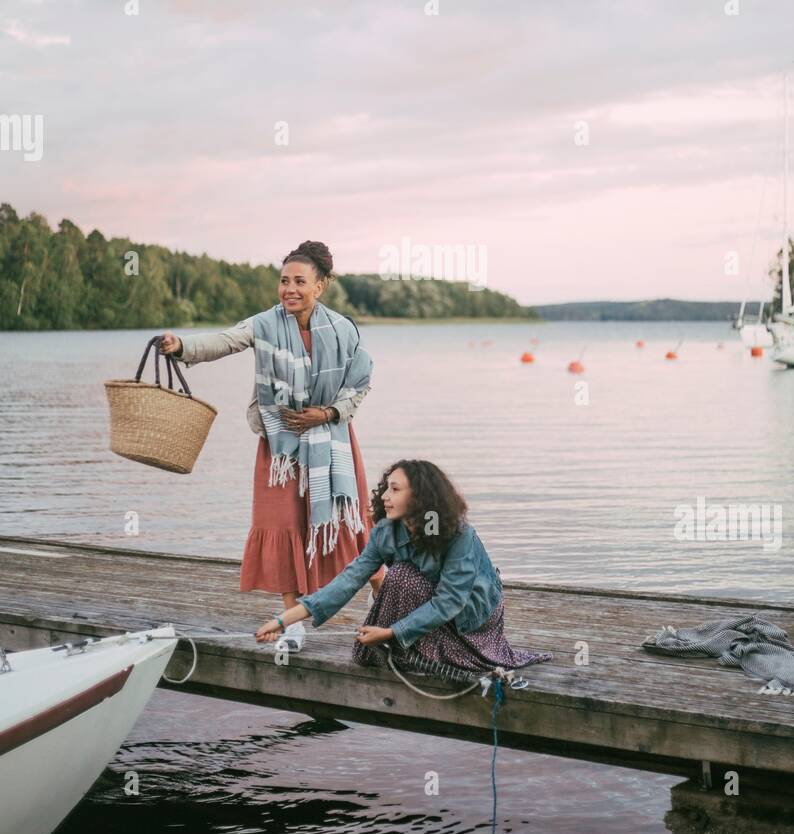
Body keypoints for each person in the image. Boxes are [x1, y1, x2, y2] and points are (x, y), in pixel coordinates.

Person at [159, 239, 385, 618]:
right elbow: (225, 341)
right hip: (281, 447)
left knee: (348, 522)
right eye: (283, 281)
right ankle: (291, 619)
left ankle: (383, 590)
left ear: (320, 285)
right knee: (281, 526)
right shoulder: (264, 324)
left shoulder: (344, 329)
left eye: (299, 281)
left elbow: (360, 383)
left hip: (332, 441)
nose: (289, 290)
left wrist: (328, 413)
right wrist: (181, 345)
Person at [255, 459, 554, 675]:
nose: (384, 495)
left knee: (402, 577)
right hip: (427, 604)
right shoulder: (387, 531)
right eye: (386, 488)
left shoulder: (458, 534)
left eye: (395, 489)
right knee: (401, 576)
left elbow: (450, 600)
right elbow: (348, 581)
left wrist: (389, 634)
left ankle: (416, 647)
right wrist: (283, 621)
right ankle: (413, 646)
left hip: (470, 616)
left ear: (420, 497)